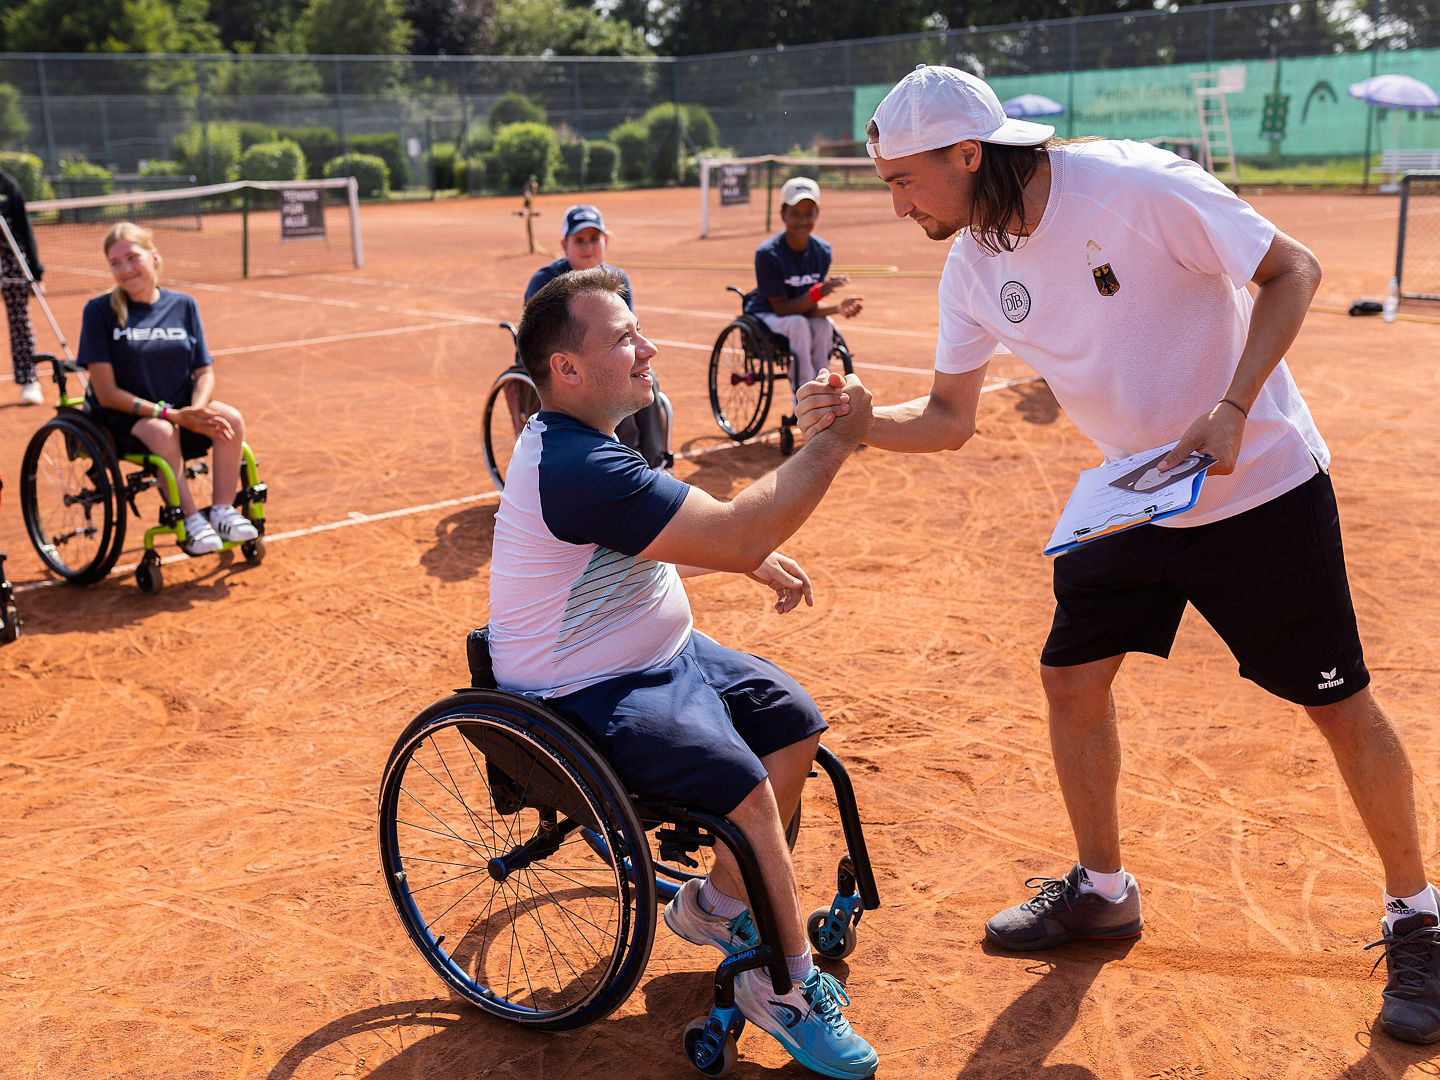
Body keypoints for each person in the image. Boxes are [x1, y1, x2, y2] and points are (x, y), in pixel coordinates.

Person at [797, 63, 1440, 1045]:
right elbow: (948, 417)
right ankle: (1103, 892)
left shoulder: (1137, 189)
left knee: (1336, 704)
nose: (894, 204)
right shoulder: (972, 263)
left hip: (1258, 482)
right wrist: (853, 424)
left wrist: (1230, 409)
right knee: (1071, 680)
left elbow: (1292, 269)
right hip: (1135, 495)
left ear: (968, 153)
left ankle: (1419, 919)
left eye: (902, 179)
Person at [489, 266, 878, 1079]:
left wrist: (746, 558)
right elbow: (730, 529)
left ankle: (715, 907)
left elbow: (633, 558)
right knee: (744, 787)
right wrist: (833, 441)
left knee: (794, 723)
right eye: (625, 337)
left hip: (651, 652)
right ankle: (787, 987)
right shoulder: (575, 465)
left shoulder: (588, 443)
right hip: (582, 691)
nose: (649, 347)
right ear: (566, 369)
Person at [77, 222, 258, 556]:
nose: (125, 269)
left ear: (154, 256)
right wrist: (174, 415)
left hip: (181, 409)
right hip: (125, 419)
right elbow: (106, 393)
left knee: (230, 419)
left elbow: (203, 370)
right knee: (162, 431)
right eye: (115, 263)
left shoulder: (183, 305)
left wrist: (198, 410)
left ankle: (222, 511)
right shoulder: (99, 312)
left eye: (132, 257)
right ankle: (189, 520)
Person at [524, 204, 669, 470]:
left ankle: (656, 464)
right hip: (567, 366)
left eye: (594, 239)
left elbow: (626, 335)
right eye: (579, 240)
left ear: (606, 241)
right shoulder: (544, 282)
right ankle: (630, 463)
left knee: (646, 379)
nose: (587, 247)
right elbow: (542, 343)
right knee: (609, 382)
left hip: (606, 356)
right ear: (564, 244)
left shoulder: (617, 280)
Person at [745, 177, 863, 424]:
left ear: (817, 214)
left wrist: (837, 309)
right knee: (798, 324)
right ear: (783, 214)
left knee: (824, 325)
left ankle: (824, 390)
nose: (802, 220)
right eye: (795, 213)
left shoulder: (822, 251)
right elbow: (783, 308)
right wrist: (821, 292)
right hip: (768, 313)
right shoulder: (768, 254)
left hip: (797, 314)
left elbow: (809, 308)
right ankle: (804, 396)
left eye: (809, 213)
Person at [0, 166, 45, 405]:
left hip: (11, 261)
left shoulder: (8, 185)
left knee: (19, 323)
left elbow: (25, 228)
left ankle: (29, 381)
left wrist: (35, 270)